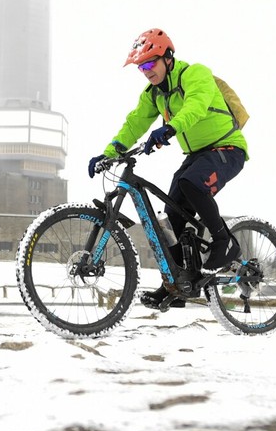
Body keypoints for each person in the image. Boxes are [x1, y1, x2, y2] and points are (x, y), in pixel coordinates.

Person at [88, 28, 247, 309]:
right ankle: (177, 284)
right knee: (171, 218)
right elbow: (135, 122)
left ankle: (225, 241)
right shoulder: (154, 95)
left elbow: (196, 106)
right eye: (141, 67)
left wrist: (170, 128)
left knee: (190, 184)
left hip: (227, 148)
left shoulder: (195, 74)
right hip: (197, 155)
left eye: (150, 63)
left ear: (168, 58)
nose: (146, 71)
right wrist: (109, 152)